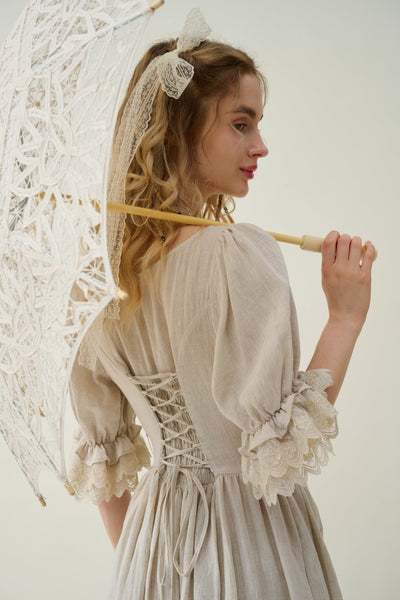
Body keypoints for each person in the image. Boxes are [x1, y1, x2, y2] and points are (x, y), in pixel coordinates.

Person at [67, 9, 374, 600]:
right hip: (250, 539)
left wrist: (148, 568)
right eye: (240, 124)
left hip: (149, 550)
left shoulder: (97, 280)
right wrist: (345, 317)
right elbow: (283, 446)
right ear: (178, 131)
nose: (260, 146)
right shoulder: (235, 254)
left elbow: (106, 464)